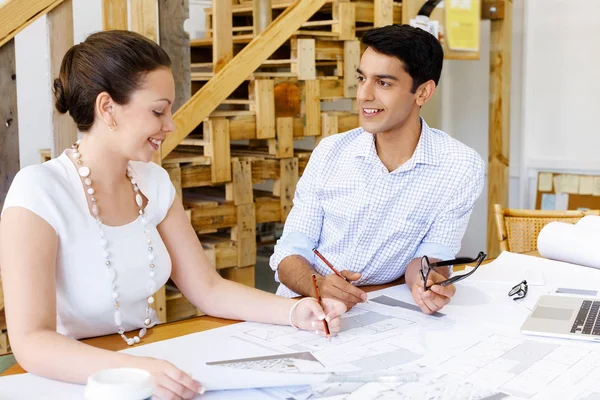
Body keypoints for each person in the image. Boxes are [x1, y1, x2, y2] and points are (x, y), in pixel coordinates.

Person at [0, 30, 345, 400]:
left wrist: (294, 312)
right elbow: (31, 341)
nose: (171, 125)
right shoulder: (39, 191)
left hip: (153, 363)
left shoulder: (154, 182)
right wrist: (134, 369)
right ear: (107, 108)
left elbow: (208, 289)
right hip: (77, 380)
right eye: (157, 110)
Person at [270, 24, 484, 315]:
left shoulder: (460, 166)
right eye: (362, 78)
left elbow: (433, 255)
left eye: (383, 83)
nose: (364, 95)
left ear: (422, 92)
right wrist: (317, 284)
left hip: (384, 309)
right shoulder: (330, 153)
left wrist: (426, 281)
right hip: (304, 307)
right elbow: (289, 251)